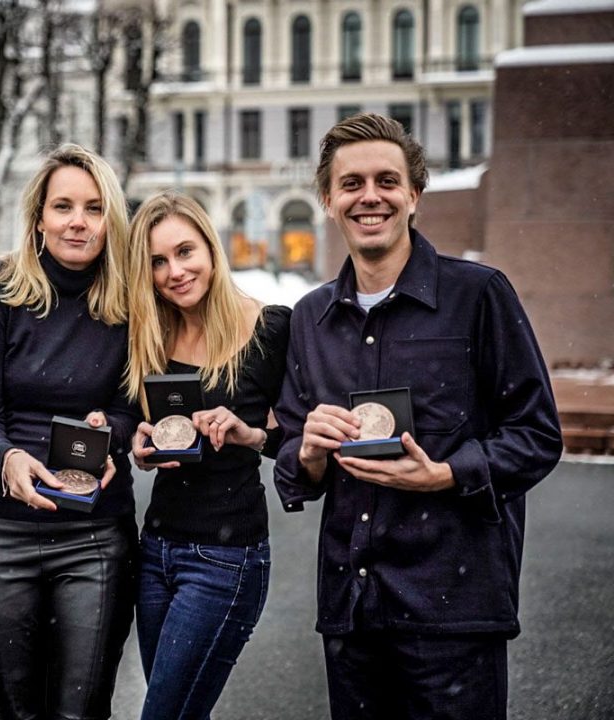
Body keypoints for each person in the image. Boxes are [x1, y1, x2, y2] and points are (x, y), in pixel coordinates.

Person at [273, 113, 563, 720]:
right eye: (351, 184)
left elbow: (537, 435)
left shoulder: (478, 296)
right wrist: (308, 453)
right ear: (327, 199)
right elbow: (294, 458)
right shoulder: (309, 319)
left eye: (386, 180)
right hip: (353, 612)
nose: (369, 196)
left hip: (453, 612)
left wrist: (448, 474)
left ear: (414, 195)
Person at [0, 143, 139, 720]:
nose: (78, 222)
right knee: (17, 710)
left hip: (95, 534)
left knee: (82, 710)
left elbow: (136, 405)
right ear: (38, 217)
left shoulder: (133, 297)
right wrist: (7, 459)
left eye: (93, 207)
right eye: (63, 206)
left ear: (112, 219)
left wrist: (119, 430)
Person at [123, 191, 290, 720]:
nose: (174, 271)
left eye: (185, 251)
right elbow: (129, 416)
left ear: (212, 250)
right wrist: (138, 445)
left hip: (226, 558)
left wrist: (252, 435)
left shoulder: (271, 328)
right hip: (156, 552)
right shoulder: (151, 333)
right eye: (157, 261)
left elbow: (304, 440)